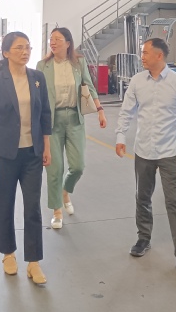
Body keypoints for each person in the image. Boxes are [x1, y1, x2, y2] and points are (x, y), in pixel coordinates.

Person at [115, 38, 176, 273]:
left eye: (145, 52)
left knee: (174, 201)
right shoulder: (137, 81)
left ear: (159, 56)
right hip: (143, 150)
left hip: (170, 151)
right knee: (142, 197)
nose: (142, 56)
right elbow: (126, 112)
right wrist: (121, 137)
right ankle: (143, 238)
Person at [0, 32, 52, 285]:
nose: (25, 52)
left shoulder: (37, 78)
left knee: (33, 208)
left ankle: (34, 262)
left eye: (28, 47)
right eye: (19, 48)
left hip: (32, 154)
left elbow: (45, 114)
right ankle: (8, 253)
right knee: (5, 205)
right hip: (4, 155)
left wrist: (46, 146)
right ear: (6, 52)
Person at [37, 27, 106, 229]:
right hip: (51, 121)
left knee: (78, 166)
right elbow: (37, 95)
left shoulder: (78, 63)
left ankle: (65, 190)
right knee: (55, 168)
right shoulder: (43, 66)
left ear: (68, 43)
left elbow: (89, 86)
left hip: (75, 118)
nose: (53, 42)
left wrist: (100, 109)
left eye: (57, 39)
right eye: (51, 39)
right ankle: (57, 210)